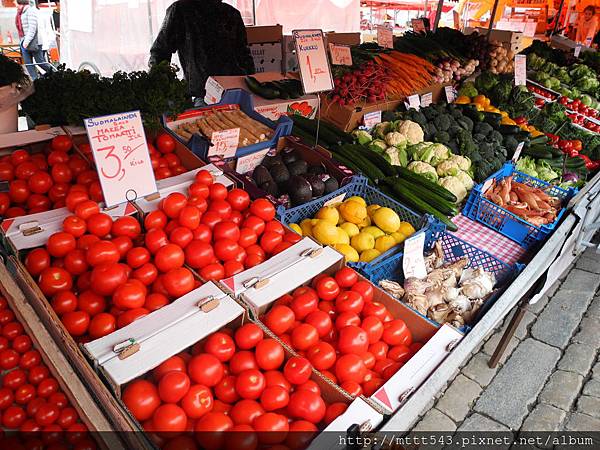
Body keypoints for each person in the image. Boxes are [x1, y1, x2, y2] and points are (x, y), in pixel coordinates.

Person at [149, 0, 255, 106]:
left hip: (234, 92)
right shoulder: (181, 10)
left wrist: (252, 87)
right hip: (202, 96)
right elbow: (160, 52)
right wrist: (166, 91)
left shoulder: (232, 14)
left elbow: (244, 56)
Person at [18, 0, 55, 80]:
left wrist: (48, 43)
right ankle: (36, 80)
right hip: (27, 41)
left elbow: (35, 29)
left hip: (36, 42)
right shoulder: (23, 12)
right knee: (29, 63)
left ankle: (55, 75)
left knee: (40, 62)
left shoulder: (38, 13)